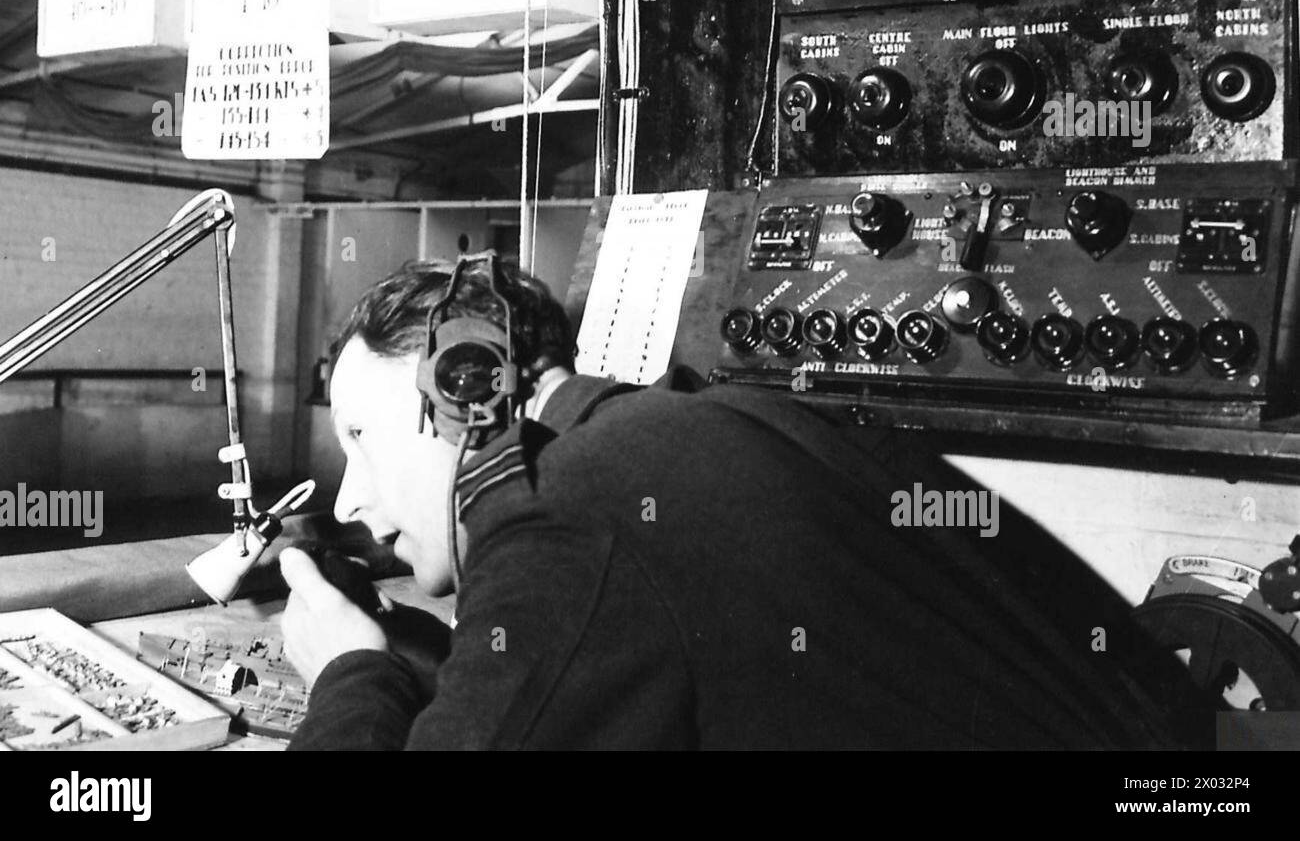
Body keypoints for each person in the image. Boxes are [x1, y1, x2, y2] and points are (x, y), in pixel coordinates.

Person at [280, 256, 1206, 750]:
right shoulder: (721, 422)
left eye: (361, 437)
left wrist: (349, 676)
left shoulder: (568, 510)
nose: (353, 497)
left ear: (467, 383)